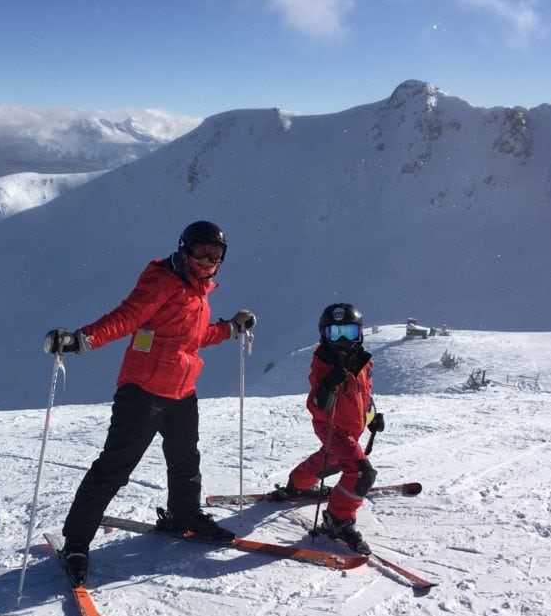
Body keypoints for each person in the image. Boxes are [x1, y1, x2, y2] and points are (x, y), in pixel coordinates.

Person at [43, 220, 256, 584]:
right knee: (114, 468)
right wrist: (81, 340)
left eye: (215, 254)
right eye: (201, 251)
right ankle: (76, 541)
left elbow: (194, 336)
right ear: (184, 249)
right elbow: (127, 318)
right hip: (142, 390)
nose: (208, 260)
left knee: (186, 459)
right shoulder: (163, 281)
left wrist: (232, 329)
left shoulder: (197, 290)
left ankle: (183, 515)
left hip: (181, 390)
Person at [268, 303, 384, 555]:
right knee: (361, 472)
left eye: (349, 333)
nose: (342, 341)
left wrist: (373, 415)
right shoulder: (323, 364)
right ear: (324, 335)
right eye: (335, 334)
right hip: (333, 427)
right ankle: (338, 519)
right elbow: (317, 405)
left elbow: (365, 395)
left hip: (353, 426)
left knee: (330, 458)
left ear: (360, 333)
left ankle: (298, 483)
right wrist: (329, 384)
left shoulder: (363, 361)